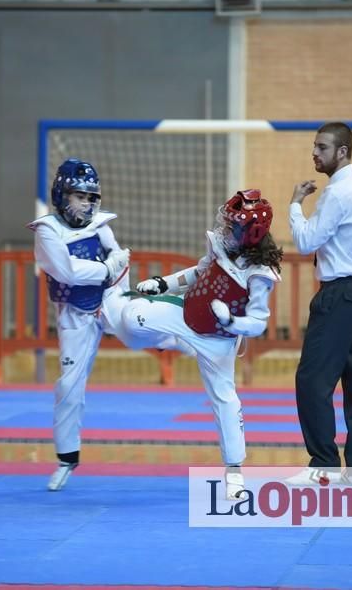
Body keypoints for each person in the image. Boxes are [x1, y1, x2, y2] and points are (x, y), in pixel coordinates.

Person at [122, 189, 282, 500]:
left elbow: (259, 321)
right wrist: (163, 283)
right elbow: (198, 272)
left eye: (234, 225)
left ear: (253, 232)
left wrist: (231, 324)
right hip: (186, 312)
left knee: (226, 401)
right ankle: (175, 341)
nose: (226, 229)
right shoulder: (222, 245)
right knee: (132, 318)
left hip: (218, 340)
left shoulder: (261, 274)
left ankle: (234, 473)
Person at [285, 121, 352, 486]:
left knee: (312, 378)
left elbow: (306, 242)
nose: (315, 153)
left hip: (340, 292)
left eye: (322, 147)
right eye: (315, 146)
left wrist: (295, 205)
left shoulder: (338, 194)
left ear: (342, 151)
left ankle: (323, 464)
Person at [28, 158, 132, 492]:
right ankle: (67, 459)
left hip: (110, 301)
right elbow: (67, 272)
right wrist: (106, 269)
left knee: (150, 325)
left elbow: (121, 260)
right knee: (69, 385)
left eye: (92, 198)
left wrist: (121, 294)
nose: (87, 204)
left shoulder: (102, 224)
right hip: (75, 314)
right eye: (79, 196)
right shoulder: (47, 231)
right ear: (61, 194)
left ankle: (201, 339)